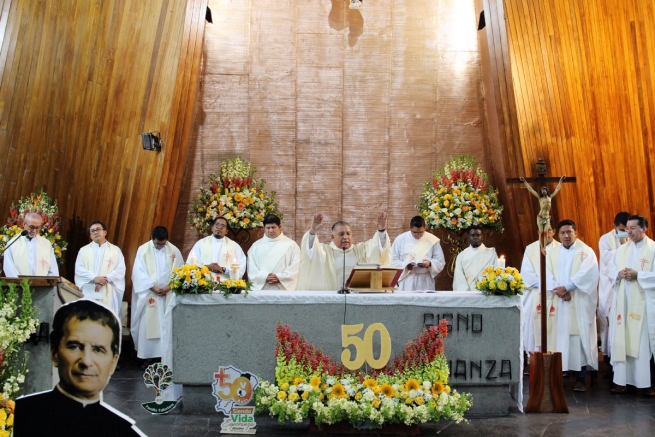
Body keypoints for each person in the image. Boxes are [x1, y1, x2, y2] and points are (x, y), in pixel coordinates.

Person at [14, 300, 145, 436]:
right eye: (75, 347)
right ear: (54, 353)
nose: (86, 361)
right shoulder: (19, 415)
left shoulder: (123, 432)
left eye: (98, 350)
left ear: (113, 362)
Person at [544, 219, 599, 392]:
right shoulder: (552, 253)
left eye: (569, 232)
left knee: (578, 339)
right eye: (562, 233)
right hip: (559, 302)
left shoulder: (586, 252)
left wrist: (568, 288)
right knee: (558, 339)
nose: (566, 236)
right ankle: (558, 376)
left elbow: (588, 274)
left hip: (578, 302)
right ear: (558, 235)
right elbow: (546, 273)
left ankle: (581, 378)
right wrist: (559, 290)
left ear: (576, 232)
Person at [607, 215, 655, 396]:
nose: (629, 231)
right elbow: (609, 271)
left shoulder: (653, 249)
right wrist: (619, 274)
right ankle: (622, 381)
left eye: (634, 228)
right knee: (622, 339)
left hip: (643, 304)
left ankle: (644, 384)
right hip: (623, 303)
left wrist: (638, 275)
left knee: (641, 343)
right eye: (627, 228)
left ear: (644, 229)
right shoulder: (621, 250)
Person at [297, 212, 391, 291]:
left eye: (348, 234)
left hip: (357, 298)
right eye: (341, 234)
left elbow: (377, 248)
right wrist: (313, 231)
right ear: (332, 237)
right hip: (334, 299)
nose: (345, 237)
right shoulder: (325, 252)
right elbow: (310, 250)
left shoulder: (361, 250)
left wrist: (382, 231)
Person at [131, 226, 183, 366]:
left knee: (165, 325)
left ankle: (164, 356)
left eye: (162, 244)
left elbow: (180, 271)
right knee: (148, 326)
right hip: (150, 293)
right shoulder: (143, 250)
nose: (160, 247)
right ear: (152, 238)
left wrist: (169, 287)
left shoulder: (174, 251)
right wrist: (153, 287)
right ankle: (148, 356)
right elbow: (139, 272)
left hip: (168, 293)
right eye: (157, 244)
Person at [520, 219, 560, 352]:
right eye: (542, 231)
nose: (545, 234)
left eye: (548, 230)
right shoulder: (530, 249)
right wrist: (545, 285)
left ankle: (557, 361)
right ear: (538, 232)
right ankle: (534, 359)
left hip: (556, 295)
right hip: (537, 292)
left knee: (557, 328)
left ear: (553, 232)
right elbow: (527, 273)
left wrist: (553, 287)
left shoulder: (561, 249)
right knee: (534, 327)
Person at [74, 221, 126, 317]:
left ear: (105, 232)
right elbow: (79, 270)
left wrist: (105, 279)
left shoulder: (115, 250)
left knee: (106, 319)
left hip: (108, 290)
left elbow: (120, 270)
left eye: (98, 229)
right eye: (92, 231)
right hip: (89, 289)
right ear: (90, 235)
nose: (95, 232)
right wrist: (94, 278)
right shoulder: (83, 250)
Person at [598, 212, 630, 358]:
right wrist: (624, 248)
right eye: (622, 229)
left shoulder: (633, 239)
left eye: (627, 229)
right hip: (609, 286)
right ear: (615, 226)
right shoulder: (605, 239)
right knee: (608, 322)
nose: (625, 233)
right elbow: (606, 258)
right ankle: (608, 356)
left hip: (627, 286)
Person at [247, 214, 301, 290]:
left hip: (283, 289)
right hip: (262, 290)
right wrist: (264, 277)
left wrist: (280, 277)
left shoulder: (292, 245)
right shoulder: (255, 246)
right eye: (268, 228)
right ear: (264, 228)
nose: (271, 231)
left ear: (280, 227)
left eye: (273, 227)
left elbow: (295, 267)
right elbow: (251, 267)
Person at [391, 216, 445, 291]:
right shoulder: (400, 239)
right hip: (406, 279)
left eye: (421, 232)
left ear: (425, 228)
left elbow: (440, 261)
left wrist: (429, 263)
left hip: (425, 280)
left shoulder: (432, 240)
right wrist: (405, 266)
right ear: (410, 228)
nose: (418, 235)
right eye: (415, 232)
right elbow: (392, 260)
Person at [2, 212, 59, 277]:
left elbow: (53, 270)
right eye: (31, 227)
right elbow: (9, 268)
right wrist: (21, 284)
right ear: (24, 224)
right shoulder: (12, 244)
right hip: (20, 285)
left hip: (42, 286)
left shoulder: (46, 244)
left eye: (37, 228)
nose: (34, 231)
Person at [520, 175, 566, 255]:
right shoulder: (540, 198)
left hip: (547, 217)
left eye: (544, 190)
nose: (543, 191)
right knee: (542, 233)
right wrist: (524, 182)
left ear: (546, 190)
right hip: (541, 217)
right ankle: (543, 247)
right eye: (542, 190)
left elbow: (557, 189)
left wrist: (561, 181)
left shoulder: (550, 197)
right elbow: (531, 190)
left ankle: (543, 247)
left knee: (545, 232)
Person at [452, 226, 497, 291]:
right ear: (468, 238)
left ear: (482, 237)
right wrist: (465, 292)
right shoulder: (462, 255)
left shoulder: (491, 254)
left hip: (486, 292)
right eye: (473, 235)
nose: (475, 237)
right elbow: (459, 276)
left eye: (478, 235)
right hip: (467, 294)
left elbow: (496, 272)